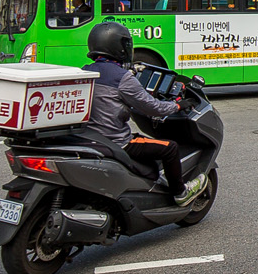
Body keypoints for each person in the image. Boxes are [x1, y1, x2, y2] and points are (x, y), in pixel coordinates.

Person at [81, 21, 205, 202]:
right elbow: (154, 108)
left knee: (141, 138)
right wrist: (179, 105)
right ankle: (180, 193)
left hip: (93, 138)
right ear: (119, 47)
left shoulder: (86, 71)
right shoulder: (122, 78)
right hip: (117, 141)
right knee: (170, 148)